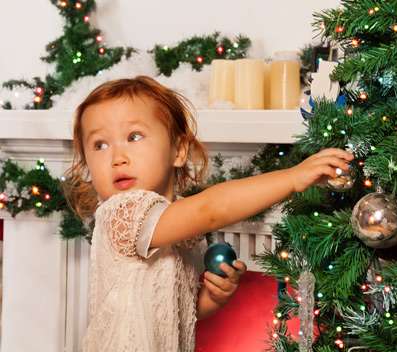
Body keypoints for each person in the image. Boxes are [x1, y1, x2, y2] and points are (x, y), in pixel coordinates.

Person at [63, 76, 353, 351]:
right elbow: (211, 209)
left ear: (178, 150)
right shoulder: (121, 214)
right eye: (100, 144)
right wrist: (292, 178)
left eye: (134, 136)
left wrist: (213, 297)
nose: (117, 157)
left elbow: (181, 313)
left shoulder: (176, 225)